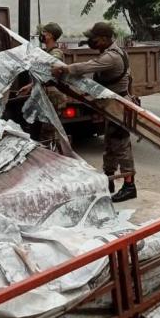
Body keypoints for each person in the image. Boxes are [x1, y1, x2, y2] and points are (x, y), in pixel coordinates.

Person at [51, 22, 136, 202]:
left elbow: (87, 67)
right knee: (110, 143)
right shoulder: (116, 52)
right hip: (112, 105)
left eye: (94, 39)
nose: (91, 41)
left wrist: (65, 69)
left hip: (118, 106)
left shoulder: (111, 57)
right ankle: (109, 180)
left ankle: (129, 186)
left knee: (121, 144)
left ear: (104, 39)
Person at [18, 23, 66, 148]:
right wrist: (30, 86)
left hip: (52, 96)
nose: (42, 35)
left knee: (48, 132)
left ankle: (54, 159)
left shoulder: (56, 52)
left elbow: (49, 69)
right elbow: (42, 77)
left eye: (44, 32)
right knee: (42, 131)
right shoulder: (47, 52)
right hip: (45, 95)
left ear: (50, 35)